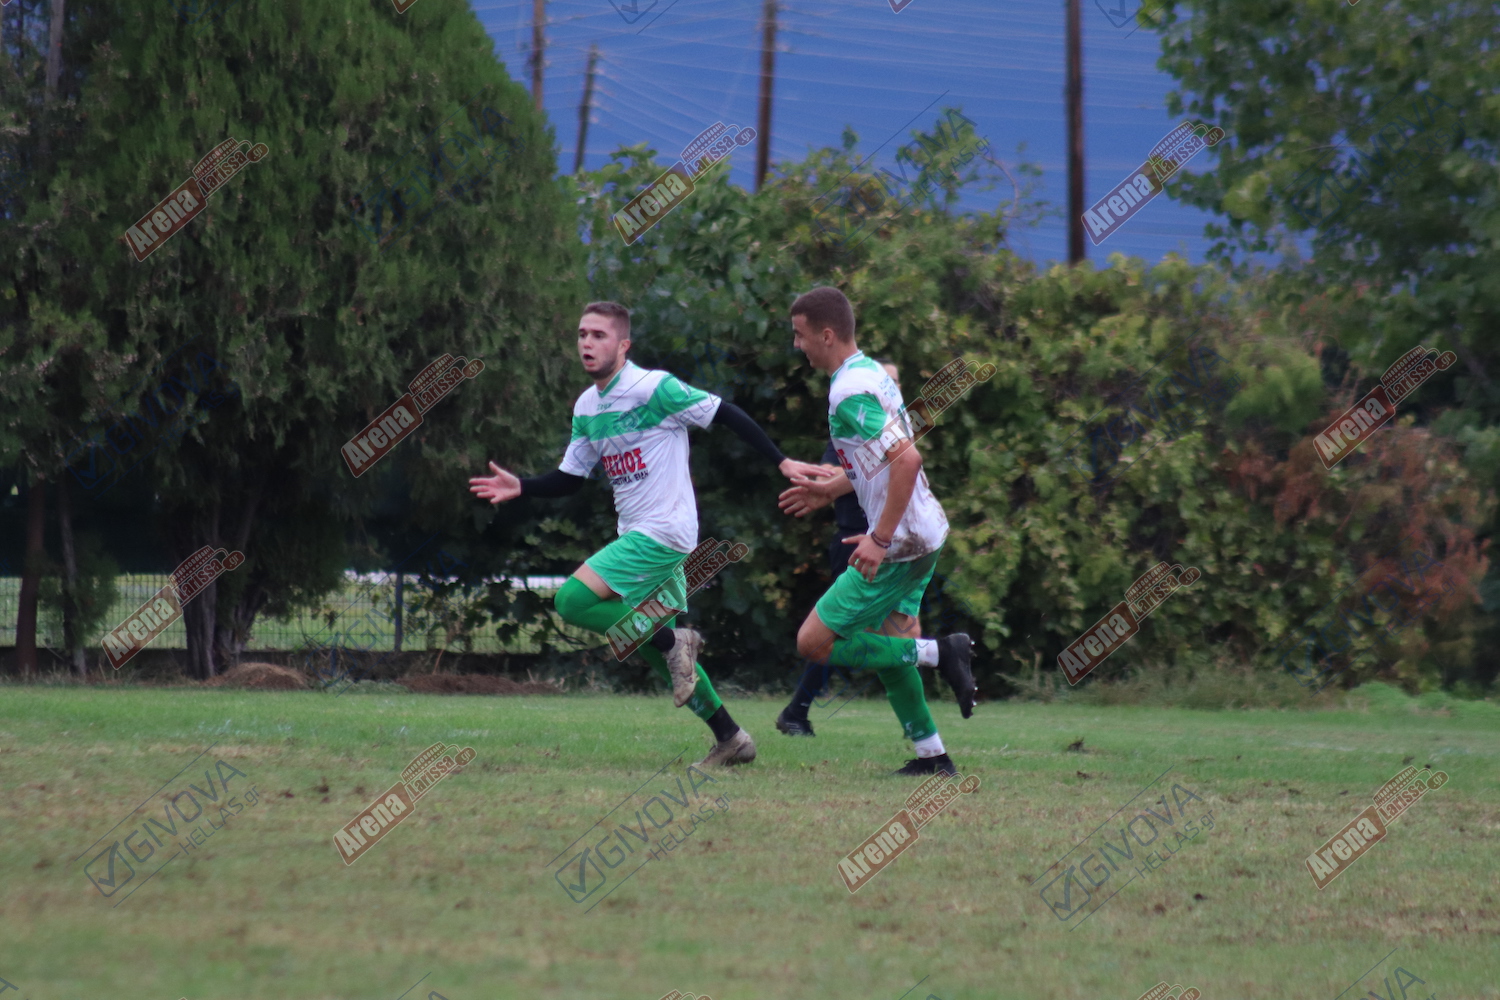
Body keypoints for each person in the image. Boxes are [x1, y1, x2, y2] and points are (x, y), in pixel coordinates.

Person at [469, 301, 822, 767]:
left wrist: (781, 461)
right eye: (582, 334)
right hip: (641, 533)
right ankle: (731, 738)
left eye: (598, 335)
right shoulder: (587, 406)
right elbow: (571, 478)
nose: (587, 343)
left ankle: (674, 642)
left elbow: (725, 412)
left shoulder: (654, 388)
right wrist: (523, 486)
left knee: (572, 601)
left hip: (666, 531)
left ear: (623, 345)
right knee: (658, 652)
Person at [777, 286, 976, 776]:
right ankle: (933, 758)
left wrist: (880, 538)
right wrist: (832, 489)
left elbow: (907, 460)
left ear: (827, 335)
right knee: (890, 644)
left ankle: (940, 652)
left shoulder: (848, 392)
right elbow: (881, 459)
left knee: (813, 642)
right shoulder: (871, 373)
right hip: (925, 534)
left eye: (800, 335)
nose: (797, 345)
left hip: (901, 544)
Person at [773, 359, 923, 738]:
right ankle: (797, 710)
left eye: (895, 384)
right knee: (845, 635)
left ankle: (921, 731)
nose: (891, 390)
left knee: (901, 634)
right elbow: (833, 474)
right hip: (858, 542)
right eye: (887, 382)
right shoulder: (851, 432)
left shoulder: (895, 433)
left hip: (892, 546)